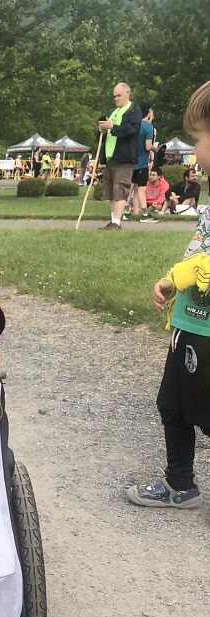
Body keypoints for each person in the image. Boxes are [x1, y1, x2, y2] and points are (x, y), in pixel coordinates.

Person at [127, 79, 210, 509]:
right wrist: (171, 283)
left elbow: (203, 265)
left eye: (199, 138)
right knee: (172, 405)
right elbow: (198, 254)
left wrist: (180, 276)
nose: (195, 151)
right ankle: (181, 485)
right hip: (190, 325)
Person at [98, 82, 142, 229]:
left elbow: (131, 130)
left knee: (121, 189)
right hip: (111, 157)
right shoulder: (114, 112)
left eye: (119, 95)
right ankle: (112, 221)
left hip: (124, 157)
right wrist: (102, 131)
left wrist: (112, 127)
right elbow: (107, 134)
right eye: (114, 96)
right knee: (110, 191)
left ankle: (117, 222)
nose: (116, 98)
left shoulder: (133, 110)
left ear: (127, 93)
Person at [125, 101, 156, 221]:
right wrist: (155, 146)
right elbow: (148, 146)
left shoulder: (134, 125)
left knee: (131, 187)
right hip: (142, 162)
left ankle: (125, 211)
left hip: (130, 161)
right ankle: (145, 214)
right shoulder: (148, 127)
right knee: (142, 188)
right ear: (148, 112)